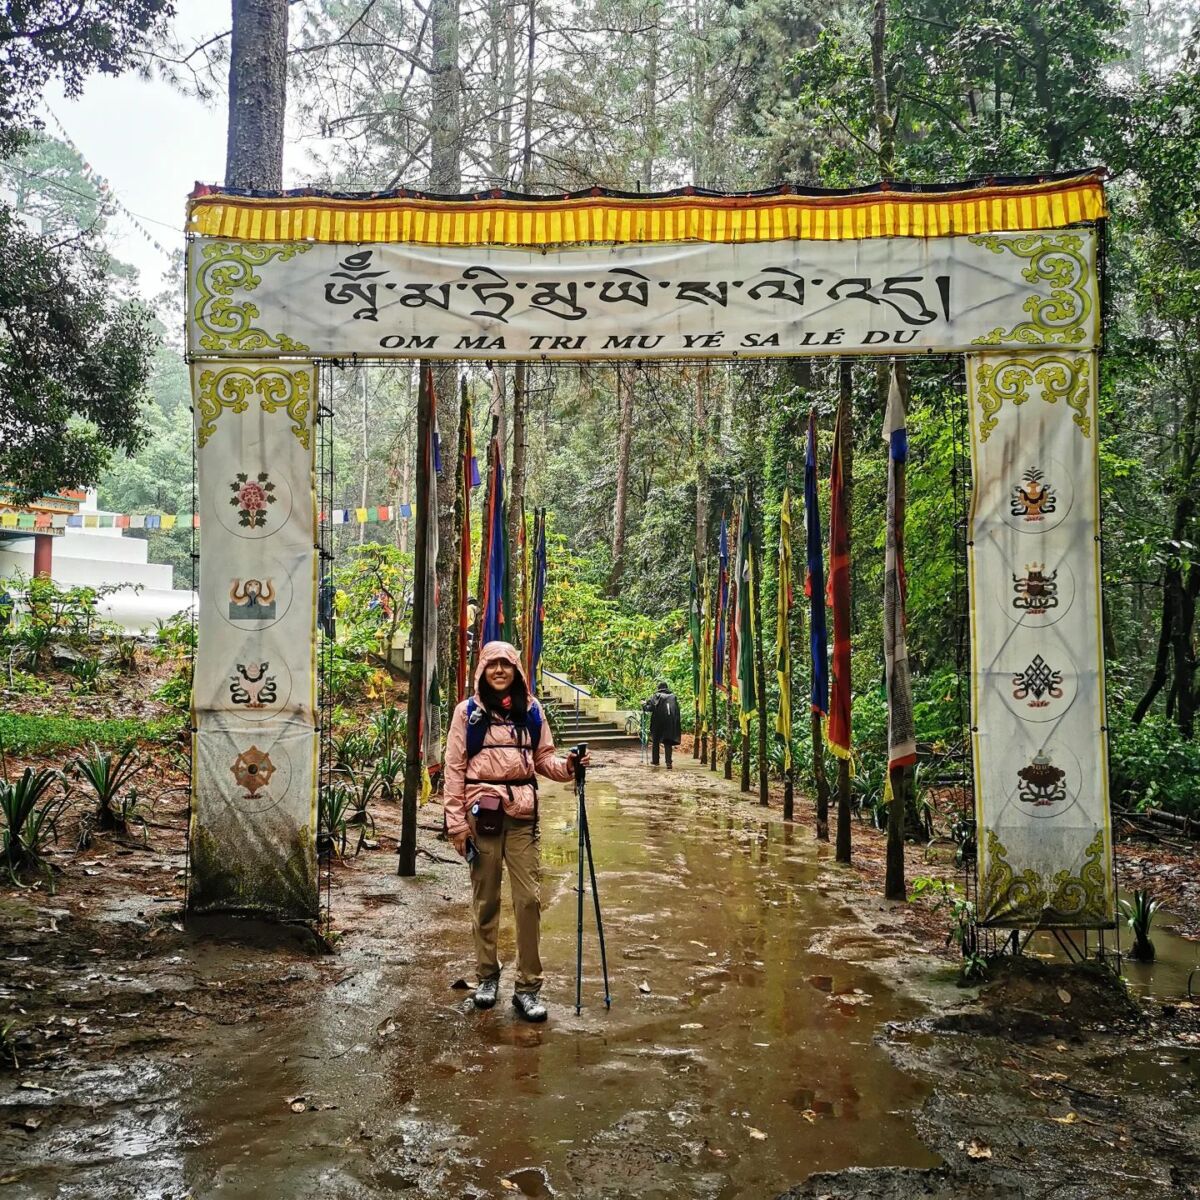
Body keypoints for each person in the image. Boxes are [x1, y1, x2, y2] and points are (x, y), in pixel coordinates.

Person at [444, 640, 588, 1022]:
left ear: (517, 670)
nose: (500, 671)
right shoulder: (467, 713)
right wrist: (456, 823)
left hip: (523, 815)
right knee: (486, 899)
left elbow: (544, 760)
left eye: (507, 665)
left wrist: (569, 766)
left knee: (528, 900)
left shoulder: (532, 710)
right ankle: (487, 977)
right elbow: (454, 768)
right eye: (493, 665)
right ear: (482, 670)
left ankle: (528, 987)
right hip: (483, 815)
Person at [642, 680, 681, 768]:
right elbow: (676, 711)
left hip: (657, 723)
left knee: (656, 741)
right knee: (667, 742)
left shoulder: (656, 696)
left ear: (659, 689)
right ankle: (669, 763)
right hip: (670, 723)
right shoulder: (673, 697)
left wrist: (644, 705)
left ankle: (655, 761)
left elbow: (649, 708)